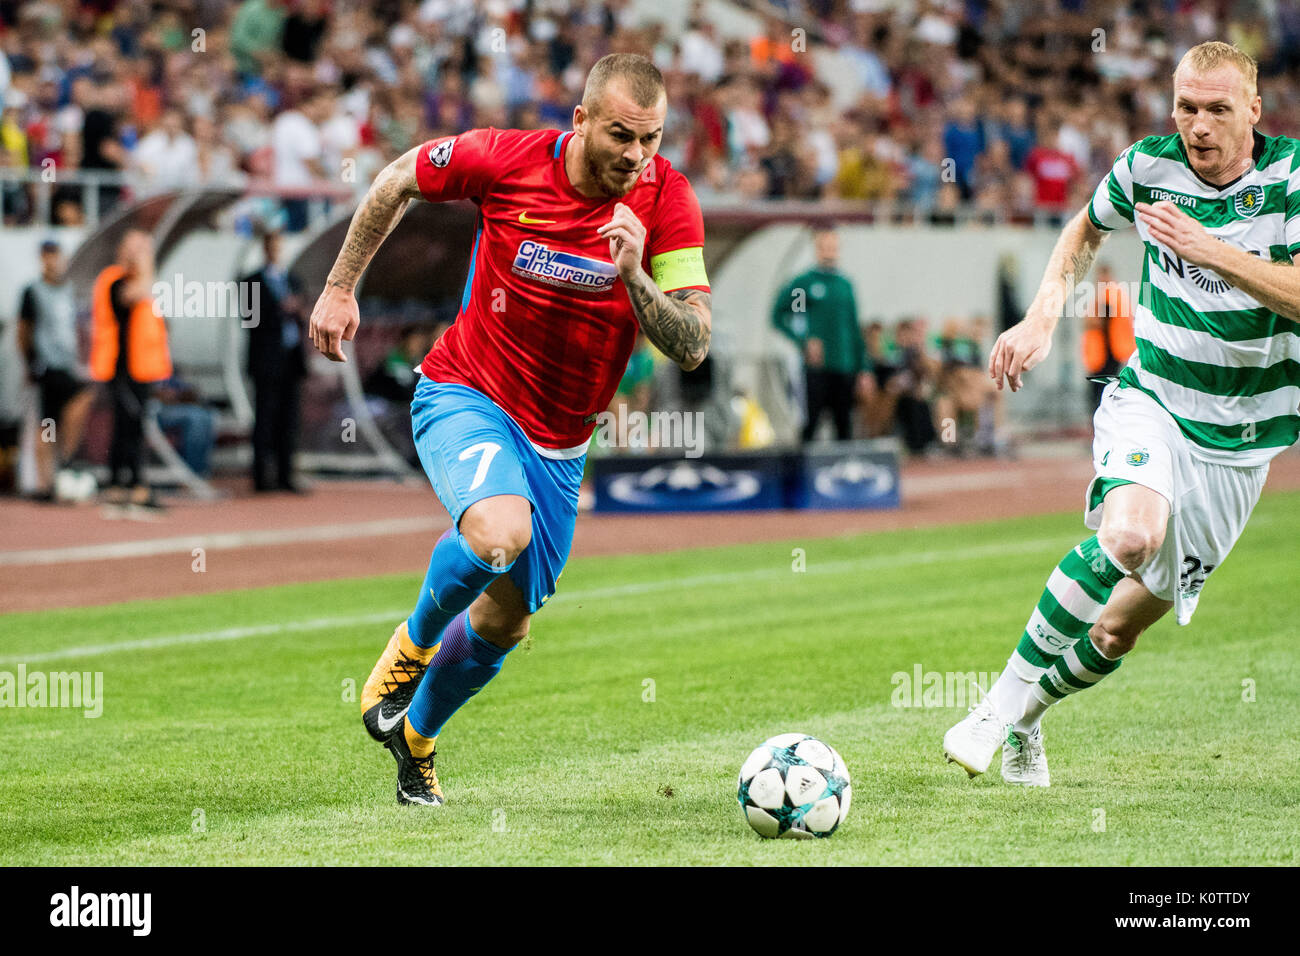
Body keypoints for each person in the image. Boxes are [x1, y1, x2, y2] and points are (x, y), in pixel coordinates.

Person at [308, 53, 711, 806]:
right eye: (621, 134)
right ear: (582, 119)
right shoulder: (506, 159)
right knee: (498, 534)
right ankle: (411, 648)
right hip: (468, 390)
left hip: (563, 443)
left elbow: (691, 344)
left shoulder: (668, 200)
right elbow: (396, 178)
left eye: (651, 139)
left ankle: (418, 740)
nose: (636, 155)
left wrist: (635, 273)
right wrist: (339, 286)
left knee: (506, 625)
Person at [943, 42, 1300, 788]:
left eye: (1217, 109)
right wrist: (1045, 317)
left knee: (1113, 629)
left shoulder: (1293, 179)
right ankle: (996, 706)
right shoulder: (1147, 166)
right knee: (1131, 535)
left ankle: (1028, 721)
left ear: (1256, 110)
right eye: (1186, 107)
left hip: (1242, 446)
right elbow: (1084, 228)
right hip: (1155, 401)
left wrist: (1214, 251)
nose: (1198, 126)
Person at [89, 228, 171, 511]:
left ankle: (126, 484)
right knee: (128, 426)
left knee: (133, 426)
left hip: (141, 369)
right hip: (120, 368)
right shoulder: (113, 280)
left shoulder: (140, 282)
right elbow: (132, 296)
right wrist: (146, 263)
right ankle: (125, 484)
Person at [771, 224, 873, 442]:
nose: (830, 250)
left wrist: (864, 368)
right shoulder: (805, 283)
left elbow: (854, 328)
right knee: (811, 424)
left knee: (844, 425)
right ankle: (803, 471)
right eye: (825, 246)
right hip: (817, 367)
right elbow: (780, 315)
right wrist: (803, 342)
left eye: (833, 246)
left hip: (844, 366)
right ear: (817, 248)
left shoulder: (845, 285)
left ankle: (843, 472)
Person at [18, 240, 93, 500]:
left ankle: (61, 464)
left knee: (58, 417)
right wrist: (30, 363)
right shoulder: (33, 292)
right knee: (49, 422)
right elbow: (23, 331)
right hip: (47, 368)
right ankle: (46, 480)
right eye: (48, 257)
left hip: (67, 365)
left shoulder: (68, 291)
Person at [244, 228, 307, 492]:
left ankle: (285, 475)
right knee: (265, 419)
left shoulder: (294, 280)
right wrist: (279, 310)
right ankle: (261, 478)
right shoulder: (250, 281)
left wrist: (298, 310)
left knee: (289, 420)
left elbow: (305, 314)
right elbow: (249, 319)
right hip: (266, 361)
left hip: (291, 360)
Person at [1081, 262, 1136, 410]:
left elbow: (1099, 320)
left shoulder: (1109, 293)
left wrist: (1088, 320)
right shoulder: (1116, 292)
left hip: (1109, 351)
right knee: (1106, 388)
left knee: (1101, 391)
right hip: (1112, 349)